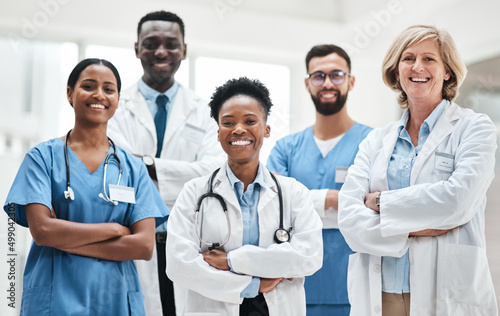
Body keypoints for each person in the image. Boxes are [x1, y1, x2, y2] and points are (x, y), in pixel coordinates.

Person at [338, 25, 498, 316]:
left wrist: (380, 203)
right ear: (396, 70)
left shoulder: (475, 128)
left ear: (447, 71)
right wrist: (421, 227)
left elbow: (456, 201)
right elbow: (349, 221)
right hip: (380, 294)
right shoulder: (375, 140)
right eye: (408, 58)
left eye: (429, 59)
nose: (417, 67)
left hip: (446, 292)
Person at [3, 58, 168, 315]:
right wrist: (112, 228)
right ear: (70, 93)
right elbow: (43, 231)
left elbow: (143, 246)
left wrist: (65, 240)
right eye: (89, 86)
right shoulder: (42, 158)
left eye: (108, 89)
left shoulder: (132, 168)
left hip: (115, 300)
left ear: (117, 99)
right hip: (55, 297)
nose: (99, 95)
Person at [165, 77, 323, 315]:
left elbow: (309, 256)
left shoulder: (293, 193)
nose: (239, 129)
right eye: (228, 122)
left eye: (250, 121)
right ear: (218, 133)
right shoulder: (193, 193)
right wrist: (253, 284)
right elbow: (179, 264)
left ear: (266, 129)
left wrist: (231, 261)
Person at [107, 11, 224, 315]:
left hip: (188, 241)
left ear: (184, 49)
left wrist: (146, 165)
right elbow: (118, 171)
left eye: (171, 44)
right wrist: (179, 177)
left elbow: (211, 175)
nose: (161, 52)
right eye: (151, 43)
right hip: (133, 240)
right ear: (137, 49)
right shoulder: (115, 107)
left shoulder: (204, 111)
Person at [266, 44, 371, 315]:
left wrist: (300, 206)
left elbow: (375, 212)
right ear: (307, 83)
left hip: (355, 288)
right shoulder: (285, 149)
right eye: (318, 76)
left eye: (336, 75)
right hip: (294, 287)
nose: (327, 83)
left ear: (351, 80)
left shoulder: (373, 143)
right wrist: (333, 200)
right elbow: (272, 211)